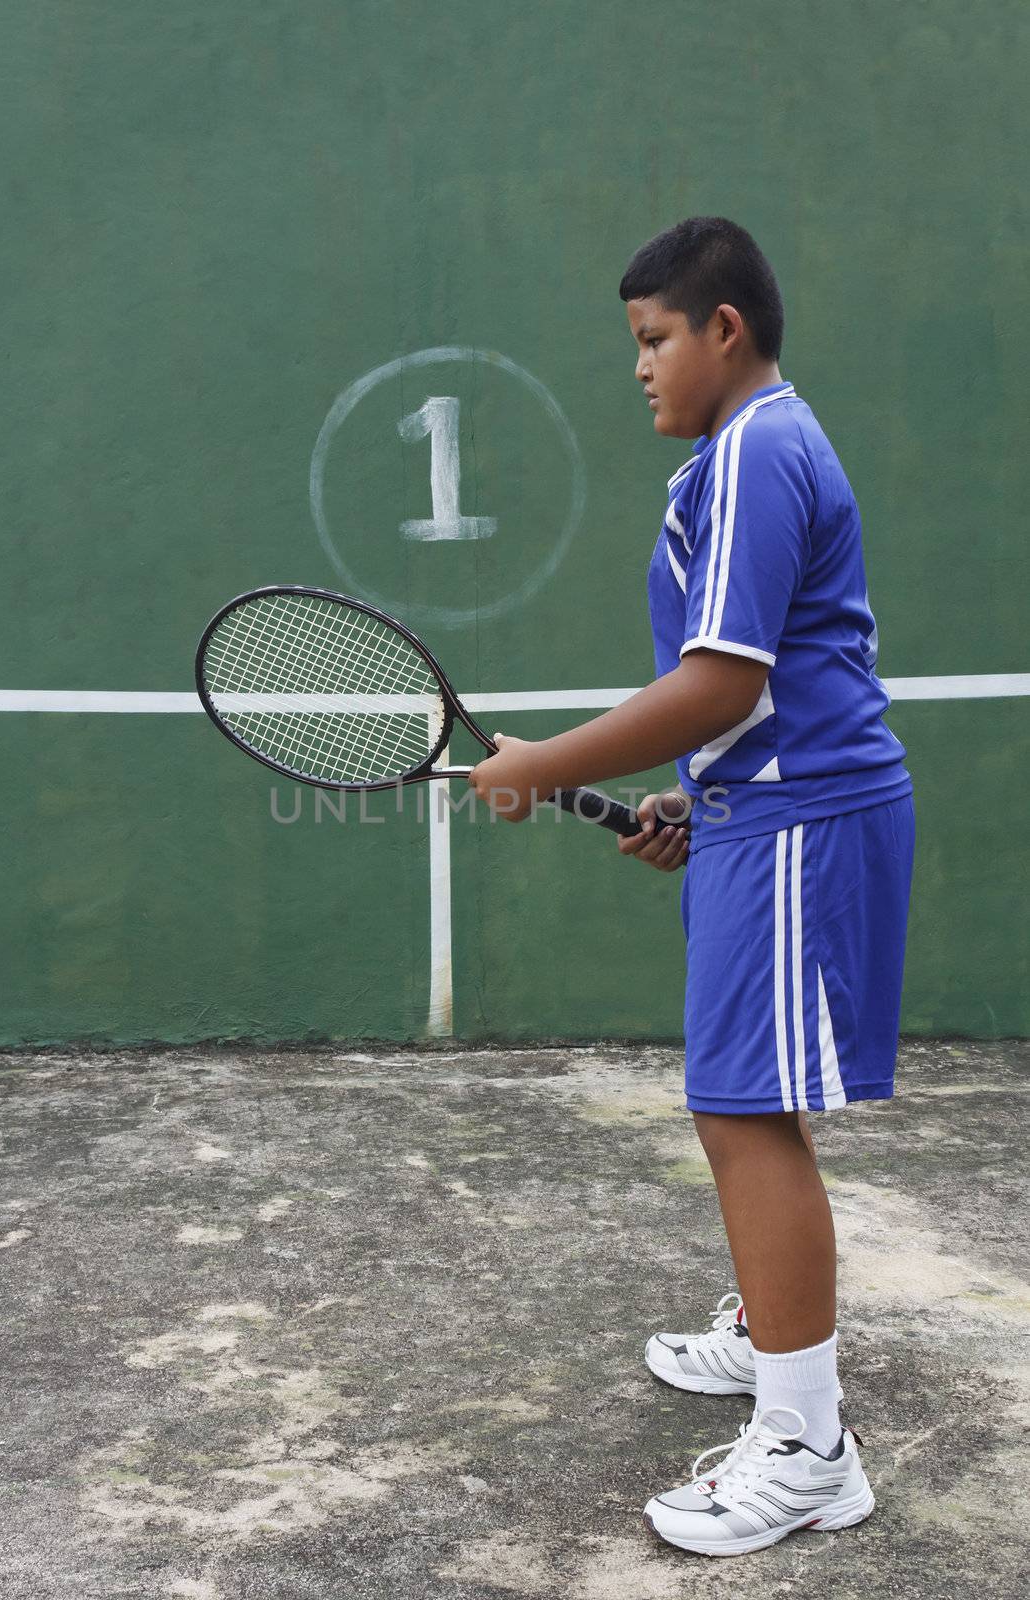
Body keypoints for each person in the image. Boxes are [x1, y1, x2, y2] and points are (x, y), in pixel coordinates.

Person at [468, 216, 915, 1557]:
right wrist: (694, 792)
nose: (643, 369)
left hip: (800, 822)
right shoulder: (749, 451)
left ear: (726, 328)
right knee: (747, 1101)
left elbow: (725, 680)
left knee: (740, 1112)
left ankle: (807, 1448)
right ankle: (768, 1334)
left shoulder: (762, 446)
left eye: (656, 339)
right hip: (764, 808)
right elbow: (751, 701)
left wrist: (544, 761)